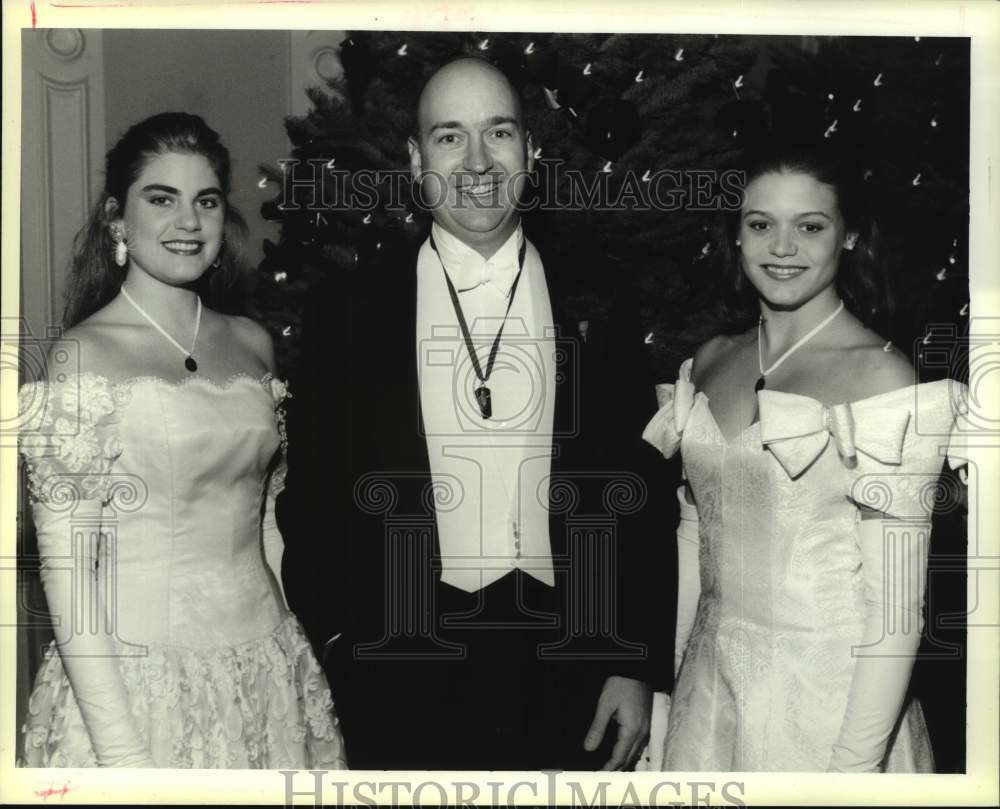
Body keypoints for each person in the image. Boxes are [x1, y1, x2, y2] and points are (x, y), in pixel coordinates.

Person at [278, 57, 673, 770]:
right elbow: (311, 497)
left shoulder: (598, 295)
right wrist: (338, 640)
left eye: (500, 132)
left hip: (568, 671)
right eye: (450, 137)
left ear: (534, 151)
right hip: (397, 673)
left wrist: (632, 660)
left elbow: (638, 492)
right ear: (414, 158)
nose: (480, 161)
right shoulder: (351, 309)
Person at [17, 112, 347, 769]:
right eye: (161, 198)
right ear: (117, 219)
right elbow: (70, 576)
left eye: (206, 201)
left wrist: (295, 657)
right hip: (137, 684)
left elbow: (267, 523)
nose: (188, 221)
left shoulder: (252, 343)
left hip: (267, 672)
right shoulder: (84, 355)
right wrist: (124, 756)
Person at [642, 143, 968, 772]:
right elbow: (694, 537)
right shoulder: (710, 359)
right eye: (761, 224)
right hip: (707, 700)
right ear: (736, 237)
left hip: (830, 712)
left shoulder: (882, 378)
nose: (782, 248)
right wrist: (679, 682)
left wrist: (852, 770)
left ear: (848, 238)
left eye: (810, 226)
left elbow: (897, 609)